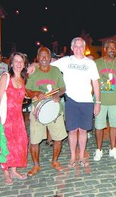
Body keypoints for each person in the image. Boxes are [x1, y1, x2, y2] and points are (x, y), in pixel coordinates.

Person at [28, 37, 100, 168]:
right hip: (71, 101)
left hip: (87, 101)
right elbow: (47, 63)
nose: (78, 49)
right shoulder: (66, 61)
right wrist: (34, 64)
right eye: (76, 46)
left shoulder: (90, 63)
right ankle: (73, 157)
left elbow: (95, 83)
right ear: (72, 48)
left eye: (81, 46)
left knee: (83, 131)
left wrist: (98, 102)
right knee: (72, 131)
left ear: (84, 48)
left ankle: (82, 156)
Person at [25, 47, 68, 176]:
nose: (44, 58)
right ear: (37, 58)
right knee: (34, 140)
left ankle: (55, 161)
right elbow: (27, 90)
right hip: (37, 111)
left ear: (50, 58)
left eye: (46, 56)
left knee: (58, 138)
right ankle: (36, 165)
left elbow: (63, 88)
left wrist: (58, 95)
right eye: (41, 56)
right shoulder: (34, 73)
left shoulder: (56, 71)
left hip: (54, 110)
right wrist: (37, 92)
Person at [0, 52, 28, 185]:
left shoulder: (23, 79)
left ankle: (14, 170)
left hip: (18, 118)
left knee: (19, 143)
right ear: (11, 63)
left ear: (24, 64)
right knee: (5, 145)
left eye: (21, 61)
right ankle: (6, 173)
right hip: (5, 116)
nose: (19, 64)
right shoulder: (5, 77)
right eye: (16, 61)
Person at [93, 40, 116, 161]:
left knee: (114, 126)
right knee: (99, 126)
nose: (113, 50)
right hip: (100, 101)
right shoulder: (97, 63)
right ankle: (99, 150)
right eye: (110, 47)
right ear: (105, 49)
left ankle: (113, 149)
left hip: (115, 101)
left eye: (115, 48)